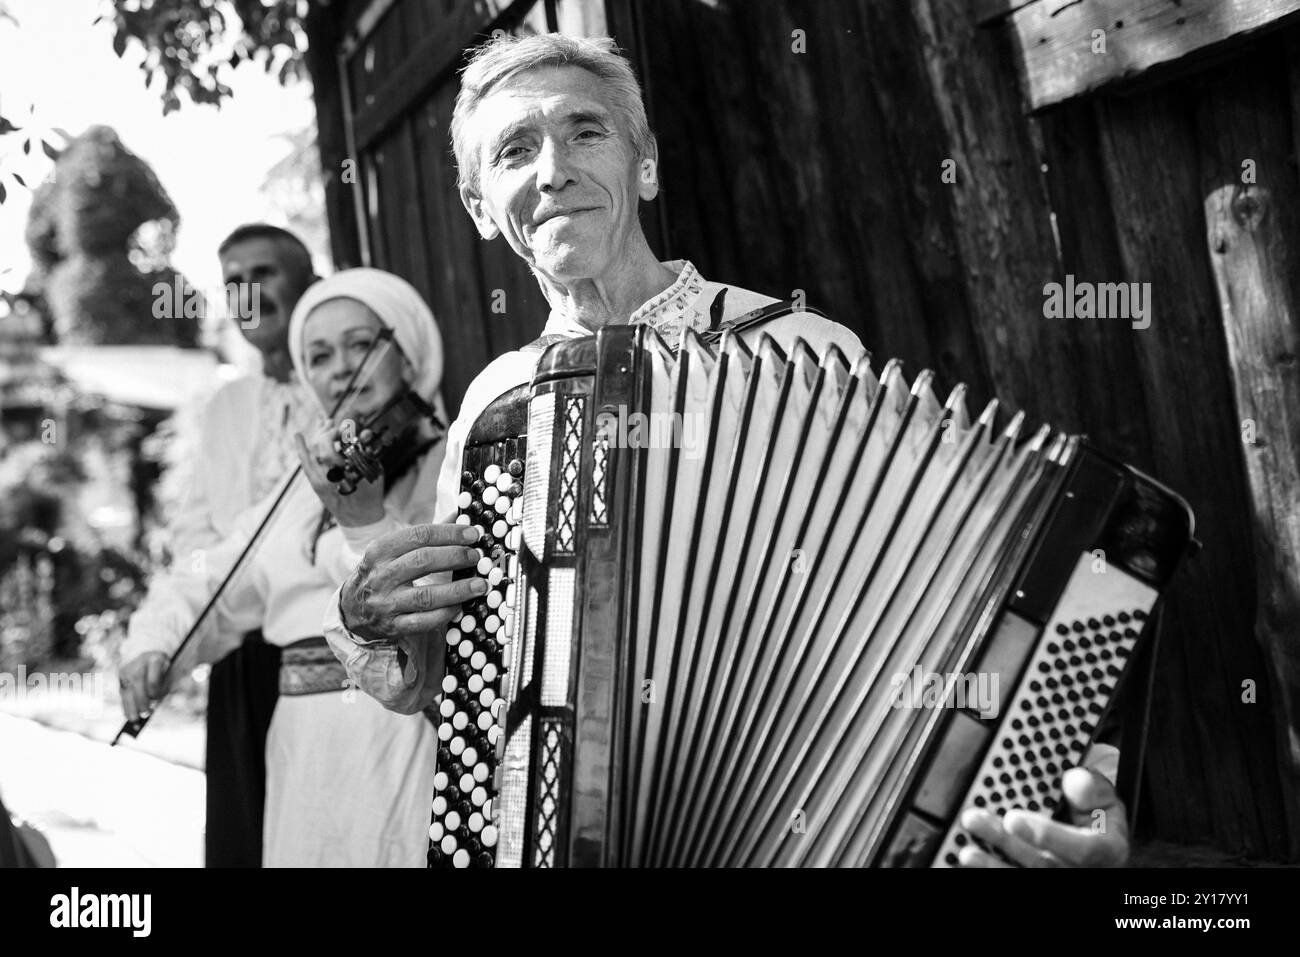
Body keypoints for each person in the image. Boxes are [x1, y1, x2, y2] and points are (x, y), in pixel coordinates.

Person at [325, 34, 1129, 868]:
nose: (553, 170)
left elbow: (957, 587)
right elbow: (480, 684)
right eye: (515, 151)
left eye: (585, 132)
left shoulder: (803, 350)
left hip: (815, 821)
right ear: (482, 207)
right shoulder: (494, 411)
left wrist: (1072, 775)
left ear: (646, 166)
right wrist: (394, 645)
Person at [121, 268, 446, 867]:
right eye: (319, 357)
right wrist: (155, 645)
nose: (340, 369)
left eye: (360, 345)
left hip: (399, 732)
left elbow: (426, 603)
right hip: (303, 740)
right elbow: (213, 577)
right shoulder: (298, 489)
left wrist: (364, 520)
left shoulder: (447, 462)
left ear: (409, 354)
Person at [119, 223, 319, 867]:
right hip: (243, 663)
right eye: (233, 281)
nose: (248, 292)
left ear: (307, 283)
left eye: (264, 273)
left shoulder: (356, 381)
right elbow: (200, 547)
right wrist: (163, 643)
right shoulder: (227, 405)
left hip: (333, 659)